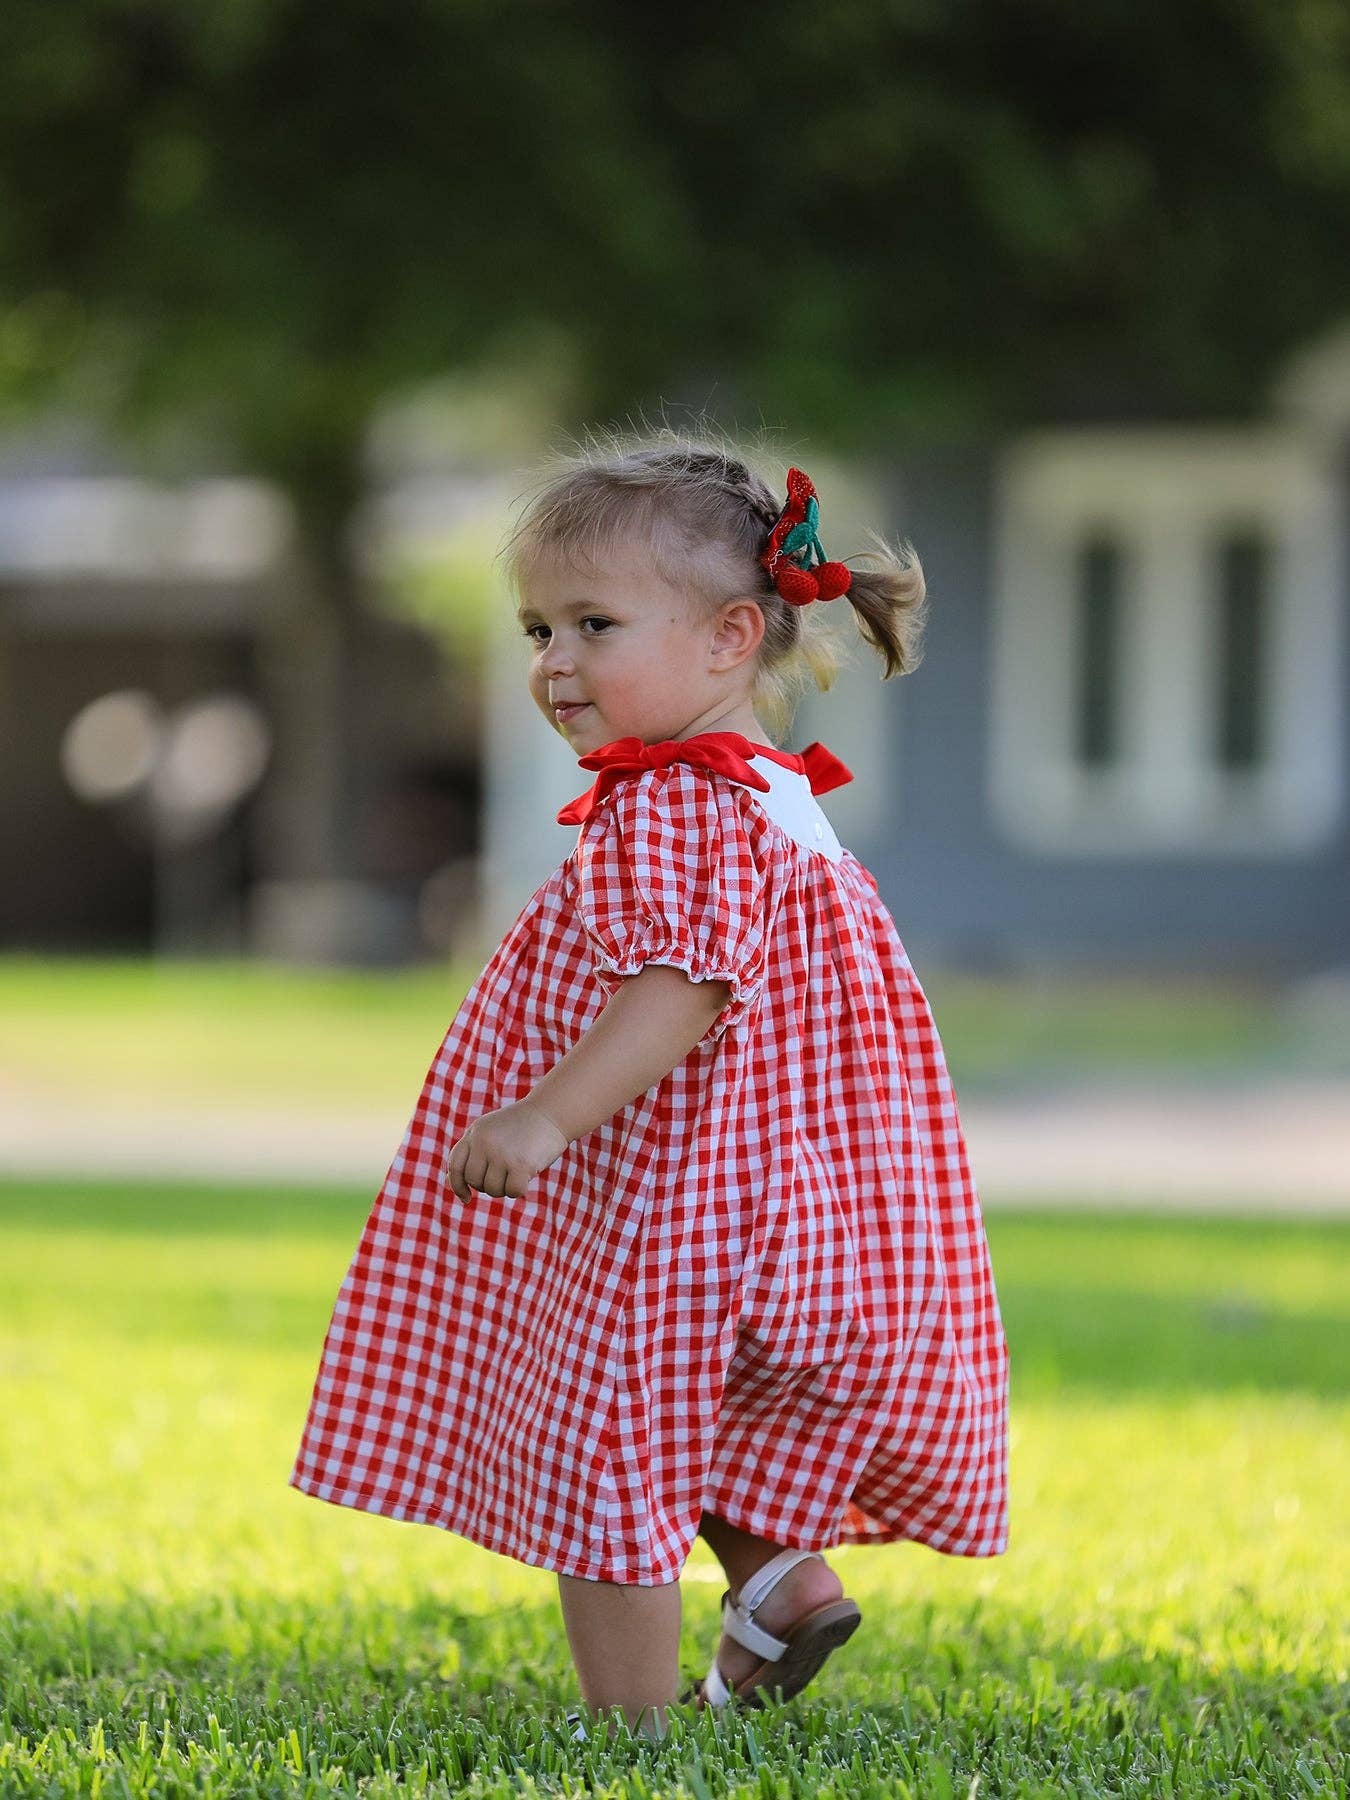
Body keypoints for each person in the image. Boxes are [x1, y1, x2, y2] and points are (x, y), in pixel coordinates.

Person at [289, 431, 1010, 1743]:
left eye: (593, 624)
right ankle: (777, 1586)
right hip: (794, 1191)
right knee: (701, 1402)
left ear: (733, 636)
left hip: (673, 1189)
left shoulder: (672, 801)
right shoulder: (774, 796)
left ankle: (627, 1731)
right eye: (536, 628)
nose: (552, 663)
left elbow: (685, 985)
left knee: (603, 1435)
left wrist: (543, 1112)